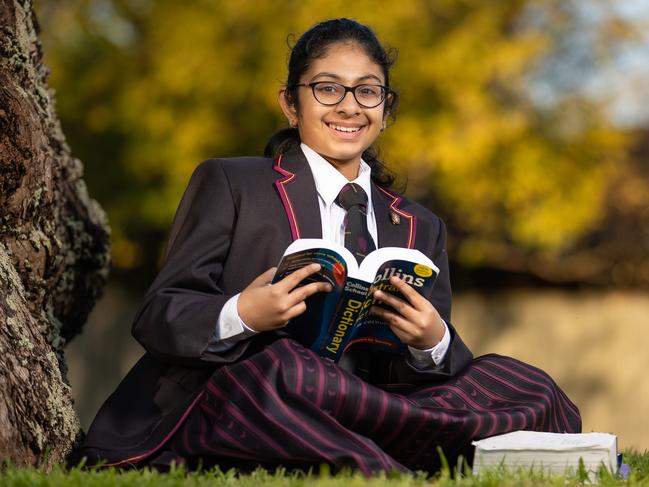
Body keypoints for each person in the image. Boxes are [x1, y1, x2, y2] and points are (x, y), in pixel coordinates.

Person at [73, 18, 581, 475]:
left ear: (387, 109)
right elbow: (160, 314)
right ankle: (387, 468)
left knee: (521, 381)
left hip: (370, 407)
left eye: (367, 92)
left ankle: (372, 451)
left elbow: (436, 370)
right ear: (290, 103)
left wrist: (433, 342)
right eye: (327, 88)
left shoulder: (420, 225)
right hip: (255, 392)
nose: (349, 106)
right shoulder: (232, 182)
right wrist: (244, 313)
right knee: (284, 369)